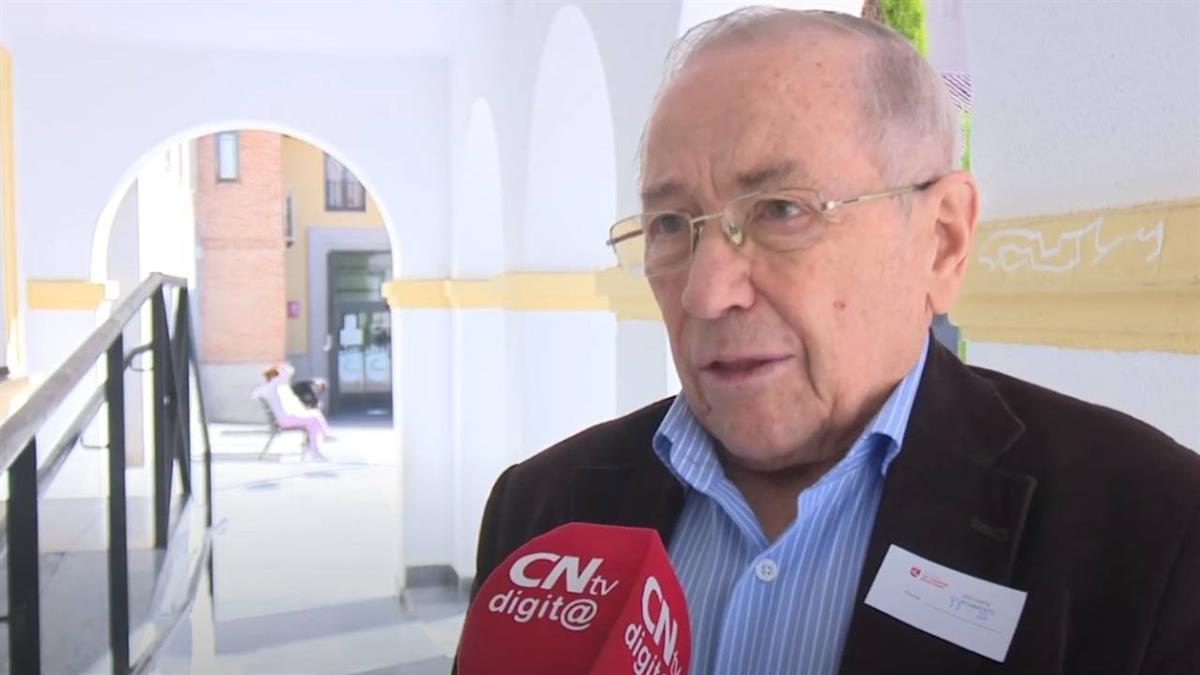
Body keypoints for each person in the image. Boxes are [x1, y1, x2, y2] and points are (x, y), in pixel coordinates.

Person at [468, 7, 1200, 675]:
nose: (706, 292)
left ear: (942, 240)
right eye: (669, 225)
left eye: (782, 210)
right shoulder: (540, 512)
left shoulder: (1152, 532)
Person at [251, 362, 331, 461]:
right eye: (278, 374)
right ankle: (322, 440)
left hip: (284, 418)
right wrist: (281, 366)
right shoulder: (275, 385)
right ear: (275, 377)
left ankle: (319, 445)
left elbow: (255, 394)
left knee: (314, 418)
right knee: (314, 416)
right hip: (286, 419)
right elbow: (289, 371)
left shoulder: (267, 388)